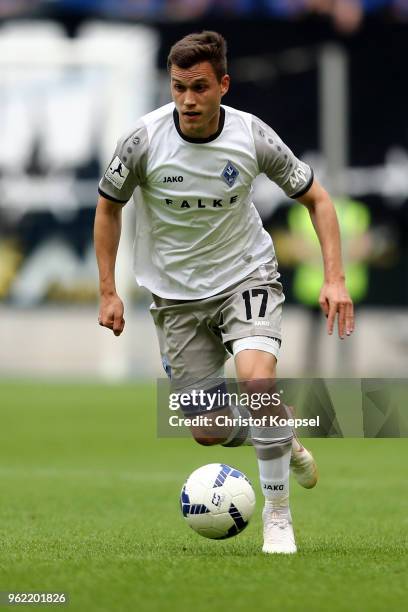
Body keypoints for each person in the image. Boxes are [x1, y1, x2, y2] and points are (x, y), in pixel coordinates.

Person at [94, 31, 354, 554]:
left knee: (258, 384)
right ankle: (283, 437)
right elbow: (107, 208)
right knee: (209, 431)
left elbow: (319, 201)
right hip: (175, 298)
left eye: (199, 87)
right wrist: (108, 291)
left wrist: (335, 278)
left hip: (246, 276)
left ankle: (278, 520)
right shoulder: (141, 142)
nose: (187, 100)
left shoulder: (252, 136)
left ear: (223, 86)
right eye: (178, 87)